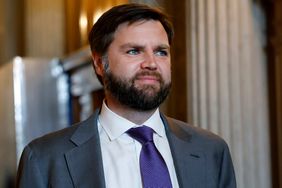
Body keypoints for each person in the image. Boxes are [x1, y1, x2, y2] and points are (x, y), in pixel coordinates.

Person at [16, 3, 236, 188]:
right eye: (134, 51)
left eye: (161, 52)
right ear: (100, 63)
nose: (151, 63)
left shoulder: (211, 150)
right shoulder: (44, 159)